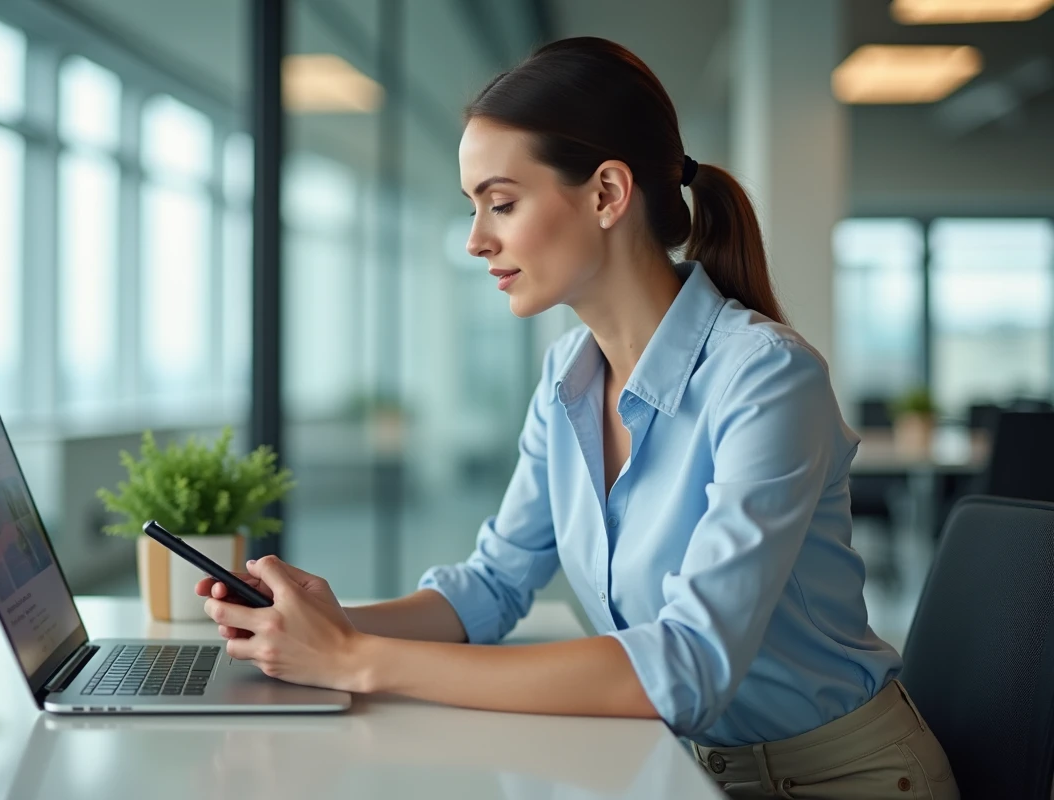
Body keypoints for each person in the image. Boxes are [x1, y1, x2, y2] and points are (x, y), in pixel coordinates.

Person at [197, 37, 958, 799]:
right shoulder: (567, 377)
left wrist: (358, 660)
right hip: (681, 768)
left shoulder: (765, 379)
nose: (475, 239)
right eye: (473, 207)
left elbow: (685, 667)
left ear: (606, 194)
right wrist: (334, 622)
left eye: (501, 203)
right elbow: (492, 587)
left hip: (842, 779)